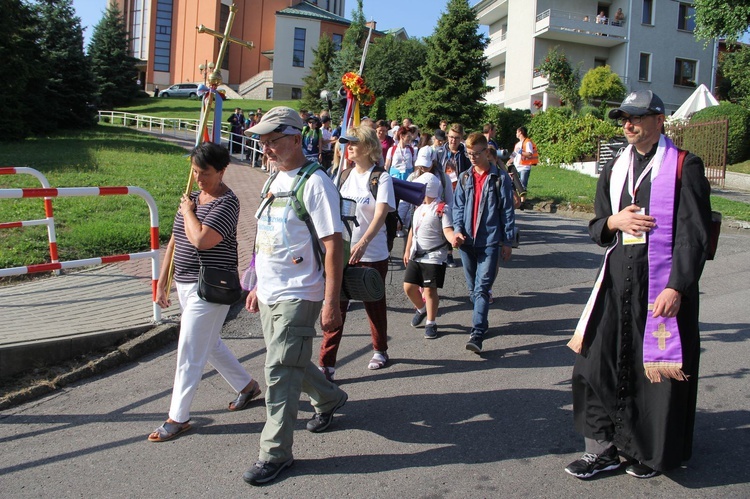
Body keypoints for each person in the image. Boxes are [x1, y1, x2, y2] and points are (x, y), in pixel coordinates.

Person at [564, 91, 712, 480]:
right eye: (623, 118)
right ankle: (602, 450)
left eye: (636, 116)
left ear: (659, 120)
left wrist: (677, 286)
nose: (627, 124)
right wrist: (614, 222)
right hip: (615, 284)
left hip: (660, 285)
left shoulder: (684, 166)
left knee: (655, 375)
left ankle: (648, 451)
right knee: (596, 365)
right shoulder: (615, 169)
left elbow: (692, 234)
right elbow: (598, 226)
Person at [242, 107, 348, 486]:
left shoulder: (316, 183)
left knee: (279, 373)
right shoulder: (274, 179)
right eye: (262, 142)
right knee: (289, 361)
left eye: (272, 141)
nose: (266, 149)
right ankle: (330, 398)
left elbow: (333, 245)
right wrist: (255, 284)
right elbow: (264, 236)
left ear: (295, 136)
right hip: (269, 291)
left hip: (300, 293)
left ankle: (275, 454)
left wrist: (331, 303)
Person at [148, 142, 260, 443]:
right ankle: (247, 386)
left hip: (210, 288)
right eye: (195, 171)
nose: (198, 178)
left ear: (222, 171)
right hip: (185, 283)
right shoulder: (194, 197)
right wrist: (162, 280)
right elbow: (174, 240)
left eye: (205, 173)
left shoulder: (227, 203)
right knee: (209, 345)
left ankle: (178, 418)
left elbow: (201, 239)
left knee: (189, 350)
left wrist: (188, 210)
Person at [319, 126, 396, 380]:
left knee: (373, 303)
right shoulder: (343, 175)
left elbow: (381, 213)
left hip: (372, 253)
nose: (349, 146)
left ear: (369, 146)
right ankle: (327, 364)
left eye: (354, 142)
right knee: (336, 305)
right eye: (347, 142)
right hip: (343, 252)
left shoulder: (380, 178)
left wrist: (362, 242)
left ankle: (380, 349)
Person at [452, 133, 516, 354]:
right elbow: (457, 208)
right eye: (469, 154)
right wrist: (457, 231)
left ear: (487, 152)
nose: (472, 158)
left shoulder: (500, 178)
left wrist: (508, 241)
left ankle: (477, 332)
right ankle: (482, 321)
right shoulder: (464, 177)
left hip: (490, 241)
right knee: (472, 289)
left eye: (476, 154)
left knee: (482, 288)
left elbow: (507, 210)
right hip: (467, 242)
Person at [403, 172, 456, 339]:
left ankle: (431, 322)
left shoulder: (442, 208)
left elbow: (447, 230)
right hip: (416, 254)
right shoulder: (419, 208)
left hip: (434, 256)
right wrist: (407, 249)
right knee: (408, 287)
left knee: (429, 290)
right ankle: (421, 309)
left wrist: (454, 239)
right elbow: (413, 229)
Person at [507, 126, 538, 207]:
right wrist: (509, 161)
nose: (516, 134)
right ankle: (516, 201)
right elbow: (514, 154)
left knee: (522, 186)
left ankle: (522, 203)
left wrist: (520, 151)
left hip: (524, 167)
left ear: (520, 132)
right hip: (516, 167)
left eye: (517, 132)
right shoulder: (517, 144)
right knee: (513, 184)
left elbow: (529, 154)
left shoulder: (527, 142)